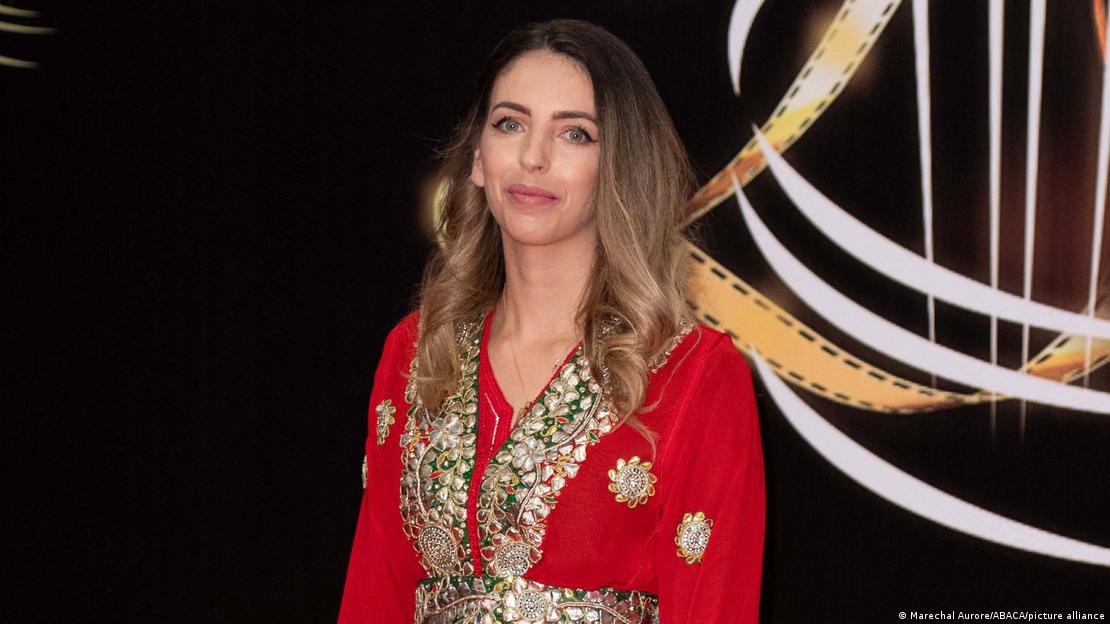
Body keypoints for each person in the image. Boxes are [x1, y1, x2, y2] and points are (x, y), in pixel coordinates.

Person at [338, 18, 764, 624]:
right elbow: (373, 594)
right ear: (478, 160)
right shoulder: (417, 353)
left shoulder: (693, 374)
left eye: (576, 135)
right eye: (510, 124)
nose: (533, 157)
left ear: (619, 166)